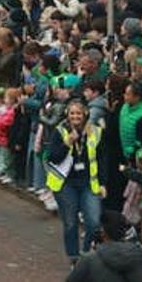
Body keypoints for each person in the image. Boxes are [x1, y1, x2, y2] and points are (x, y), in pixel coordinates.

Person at [46, 99, 107, 264]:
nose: (75, 116)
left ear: (85, 114)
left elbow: (101, 159)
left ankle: (86, 254)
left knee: (93, 222)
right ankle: (74, 258)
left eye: (78, 113)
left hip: (89, 182)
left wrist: (102, 183)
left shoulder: (96, 131)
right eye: (72, 113)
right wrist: (68, 143)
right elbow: (53, 157)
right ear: (67, 114)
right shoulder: (60, 131)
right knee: (70, 222)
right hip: (66, 183)